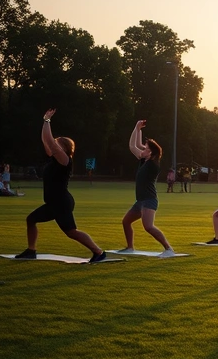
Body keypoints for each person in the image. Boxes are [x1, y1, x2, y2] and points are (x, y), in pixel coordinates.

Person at [15, 109, 107, 263]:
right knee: (31, 220)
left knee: (71, 232)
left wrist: (47, 121)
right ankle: (31, 250)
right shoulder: (53, 159)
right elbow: (46, 141)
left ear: (63, 148)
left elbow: (50, 141)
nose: (54, 145)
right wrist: (45, 120)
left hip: (61, 203)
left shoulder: (65, 160)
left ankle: (99, 252)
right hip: (53, 203)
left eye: (57, 143)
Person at [118, 120, 176, 257]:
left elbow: (134, 146)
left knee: (148, 227)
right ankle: (130, 247)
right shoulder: (145, 160)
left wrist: (137, 129)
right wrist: (137, 129)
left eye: (146, 149)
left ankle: (169, 249)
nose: (142, 150)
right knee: (126, 221)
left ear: (151, 153)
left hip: (149, 200)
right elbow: (134, 145)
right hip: (140, 201)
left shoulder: (153, 165)